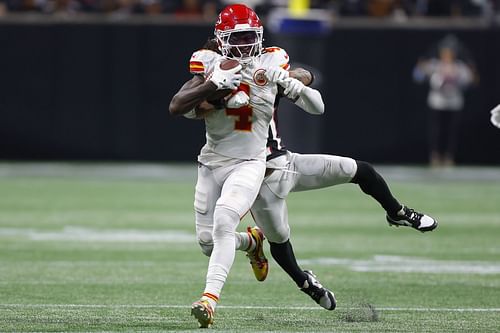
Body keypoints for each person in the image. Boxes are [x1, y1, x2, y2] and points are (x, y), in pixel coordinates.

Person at [169, 3, 325, 328]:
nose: (242, 45)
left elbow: (304, 75)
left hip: (251, 161)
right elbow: (177, 106)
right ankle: (252, 242)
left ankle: (209, 300)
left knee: (225, 219)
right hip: (212, 162)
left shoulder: (270, 60)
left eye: (248, 37)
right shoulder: (209, 63)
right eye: (236, 38)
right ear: (222, 39)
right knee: (207, 243)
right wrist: (215, 86)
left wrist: (286, 78)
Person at [413, 34, 476, 167]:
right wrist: (422, 67)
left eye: (449, 53)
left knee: (451, 131)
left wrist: (464, 74)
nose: (447, 56)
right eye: (444, 53)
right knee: (436, 130)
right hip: (437, 101)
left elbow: (473, 80)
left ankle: (448, 156)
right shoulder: (435, 64)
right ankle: (435, 155)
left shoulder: (459, 67)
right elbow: (417, 75)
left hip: (454, 102)